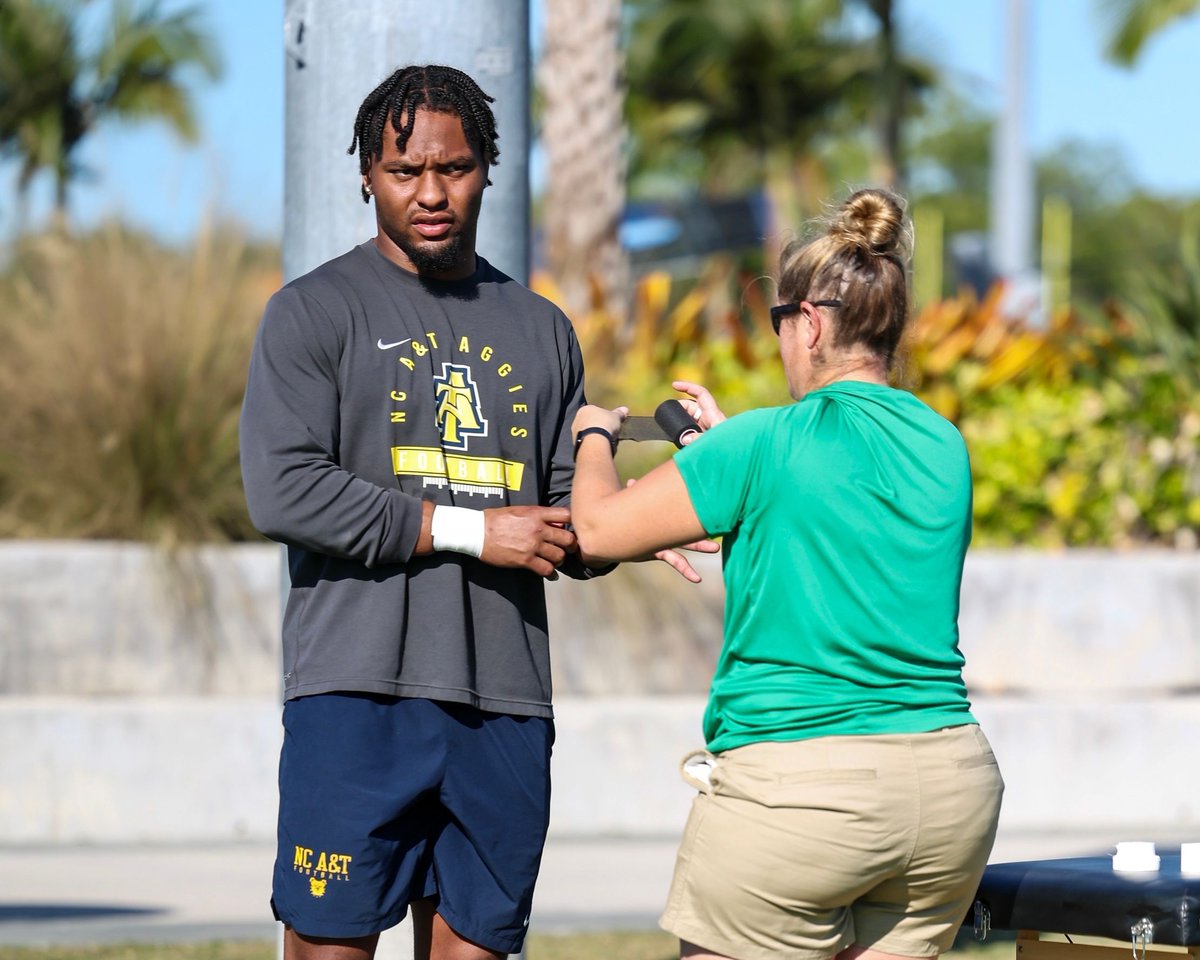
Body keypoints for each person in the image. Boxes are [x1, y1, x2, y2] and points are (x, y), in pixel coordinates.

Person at [239, 64, 710, 960]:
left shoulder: (540, 329)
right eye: (403, 171)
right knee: (329, 946)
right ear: (367, 175)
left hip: (504, 704)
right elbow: (284, 486)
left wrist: (633, 528)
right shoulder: (311, 312)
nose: (429, 193)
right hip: (356, 694)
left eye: (452, 169)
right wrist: (469, 530)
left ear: (488, 168)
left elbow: (565, 517)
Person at [569, 188, 1005, 960]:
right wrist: (726, 452)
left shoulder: (764, 446)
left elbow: (598, 530)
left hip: (800, 797)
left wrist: (594, 436)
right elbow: (836, 498)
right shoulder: (943, 445)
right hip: (946, 794)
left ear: (809, 322)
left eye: (778, 322)